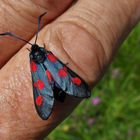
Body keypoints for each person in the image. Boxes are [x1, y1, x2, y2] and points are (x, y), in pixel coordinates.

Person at [0, 0, 139, 139]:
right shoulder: (46, 53)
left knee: (47, 83)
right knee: (62, 78)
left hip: (51, 87)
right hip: (59, 81)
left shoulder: (33, 60)